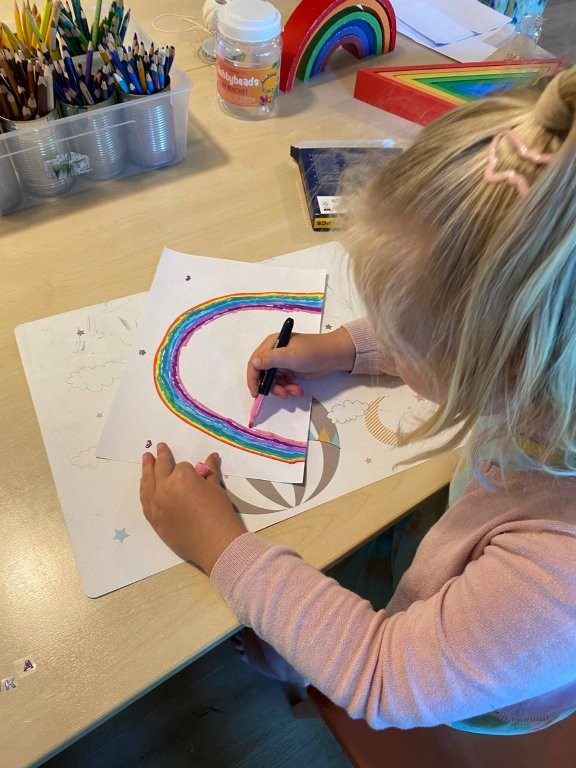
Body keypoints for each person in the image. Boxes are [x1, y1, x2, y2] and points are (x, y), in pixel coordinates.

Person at [140, 64, 576, 734]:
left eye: (400, 334)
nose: (387, 337)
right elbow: (454, 327)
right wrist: (342, 348)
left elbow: (384, 677)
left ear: (505, 367)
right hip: (468, 562)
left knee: (335, 641)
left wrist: (219, 543)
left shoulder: (557, 579)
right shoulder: (547, 376)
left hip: (480, 688)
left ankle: (301, 664)